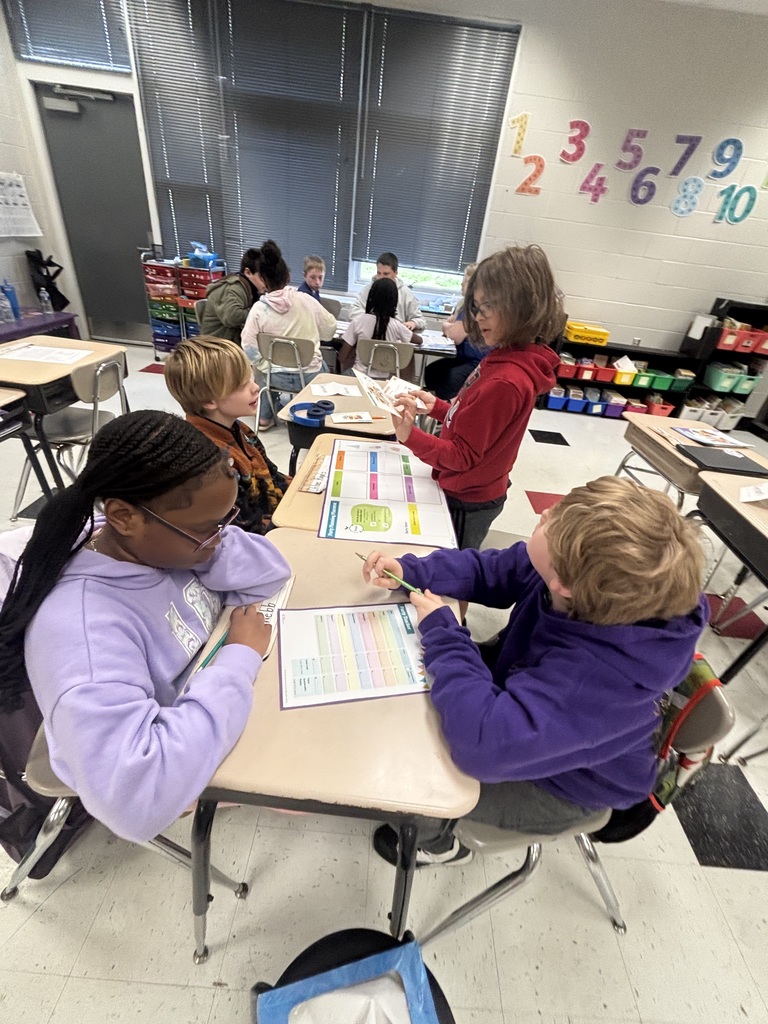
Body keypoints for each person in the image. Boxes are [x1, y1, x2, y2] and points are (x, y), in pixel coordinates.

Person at [362, 476, 708, 866]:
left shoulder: (596, 680)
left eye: (551, 521)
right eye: (557, 510)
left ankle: (440, 844)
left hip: (568, 787)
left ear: (564, 585)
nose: (544, 513)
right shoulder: (578, 578)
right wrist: (412, 570)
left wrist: (445, 635)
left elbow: (484, 748)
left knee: (418, 781)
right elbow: (494, 570)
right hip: (528, 711)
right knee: (416, 707)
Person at [0, 410, 291, 844]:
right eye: (205, 529)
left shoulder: (160, 545)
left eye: (224, 522)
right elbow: (136, 800)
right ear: (124, 516)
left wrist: (207, 547)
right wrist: (239, 656)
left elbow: (272, 570)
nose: (221, 538)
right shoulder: (82, 632)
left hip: (209, 706)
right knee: (302, 785)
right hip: (172, 750)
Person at [390, 245, 565, 550]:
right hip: (473, 488)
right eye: (476, 306)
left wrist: (410, 436)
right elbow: (474, 422)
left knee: (451, 572)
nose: (478, 316)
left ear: (521, 307)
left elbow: (462, 456)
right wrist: (440, 408)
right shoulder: (504, 355)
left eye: (488, 306)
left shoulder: (507, 380)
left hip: (468, 500)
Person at [164, 336, 290, 534]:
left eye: (251, 377)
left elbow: (273, 475)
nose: (255, 387)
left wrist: (303, 489)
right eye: (241, 385)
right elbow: (244, 528)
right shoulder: (211, 461)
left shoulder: (240, 430)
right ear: (208, 400)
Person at [240, 239, 337, 430]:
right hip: (310, 375)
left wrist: (265, 364)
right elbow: (330, 329)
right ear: (289, 276)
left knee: (264, 376)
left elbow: (248, 345)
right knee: (324, 367)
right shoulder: (306, 300)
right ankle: (318, 413)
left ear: (263, 280)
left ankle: (265, 418)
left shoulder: (258, 309)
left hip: (275, 376)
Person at [424, 263, 489, 400]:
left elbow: (455, 335)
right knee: (432, 371)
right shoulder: (464, 304)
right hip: (463, 357)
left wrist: (447, 325)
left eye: (464, 281)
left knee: (449, 378)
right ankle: (436, 408)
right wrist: (450, 326)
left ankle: (445, 410)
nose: (461, 284)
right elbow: (454, 327)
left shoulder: (472, 306)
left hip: (478, 361)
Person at [338, 277, 422, 380]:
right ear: (394, 301)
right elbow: (419, 340)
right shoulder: (396, 325)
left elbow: (342, 357)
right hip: (384, 381)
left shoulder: (358, 321)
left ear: (371, 298)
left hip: (358, 377)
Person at [349, 251, 426, 331]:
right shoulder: (369, 289)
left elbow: (421, 321)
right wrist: (373, 321)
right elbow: (353, 311)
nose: (381, 277)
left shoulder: (406, 293)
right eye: (379, 273)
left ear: (395, 273)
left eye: (386, 274)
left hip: (395, 335)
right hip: (370, 331)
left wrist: (413, 323)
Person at [200, 247, 263, 345]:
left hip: (230, 345)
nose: (267, 281)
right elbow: (233, 317)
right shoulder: (233, 288)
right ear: (248, 272)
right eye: (262, 276)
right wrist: (261, 311)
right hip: (217, 348)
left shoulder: (251, 288)